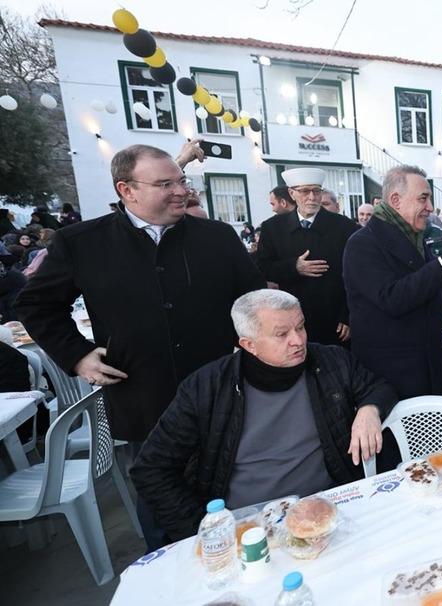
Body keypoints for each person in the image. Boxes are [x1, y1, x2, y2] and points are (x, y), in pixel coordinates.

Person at [14, 144, 265, 547]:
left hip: (222, 392)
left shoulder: (217, 237)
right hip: (144, 399)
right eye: (165, 184)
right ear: (126, 190)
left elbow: (254, 302)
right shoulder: (82, 243)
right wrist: (77, 355)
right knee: (163, 506)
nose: (180, 191)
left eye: (181, 181)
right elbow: (36, 304)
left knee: (238, 496)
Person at [129, 290, 396, 542]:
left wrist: (369, 409)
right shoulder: (207, 388)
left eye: (300, 326)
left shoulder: (330, 362)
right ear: (249, 344)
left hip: (328, 509)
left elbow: (379, 387)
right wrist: (204, 531)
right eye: (282, 334)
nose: (298, 340)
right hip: (249, 527)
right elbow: (151, 469)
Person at [343, 164, 442, 401]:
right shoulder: (363, 244)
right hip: (390, 379)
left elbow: (441, 294)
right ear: (395, 199)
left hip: (427, 368)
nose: (430, 208)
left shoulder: (412, 238)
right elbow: (392, 298)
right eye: (423, 199)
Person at [255, 168, 358, 346]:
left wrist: (347, 315)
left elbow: (357, 275)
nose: (312, 197)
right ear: (291, 193)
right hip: (292, 319)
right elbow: (262, 267)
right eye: (304, 191)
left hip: (335, 321)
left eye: (317, 191)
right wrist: (294, 267)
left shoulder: (344, 227)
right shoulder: (272, 228)